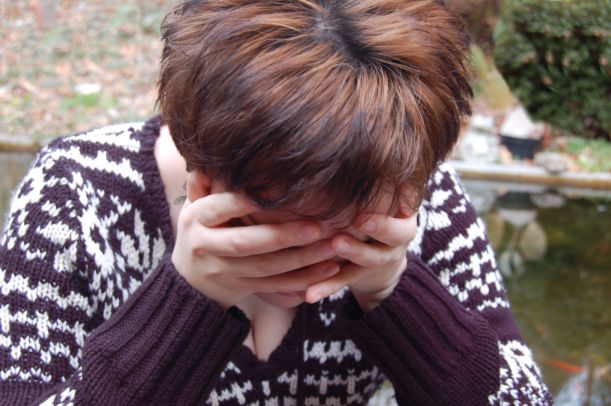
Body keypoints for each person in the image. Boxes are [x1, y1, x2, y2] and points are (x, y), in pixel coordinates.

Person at [0, 0, 553, 404]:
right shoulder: (75, 196)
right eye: (282, 230)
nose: (307, 274)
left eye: (347, 233)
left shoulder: (415, 197)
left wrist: (393, 289)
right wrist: (188, 299)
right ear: (202, 172)